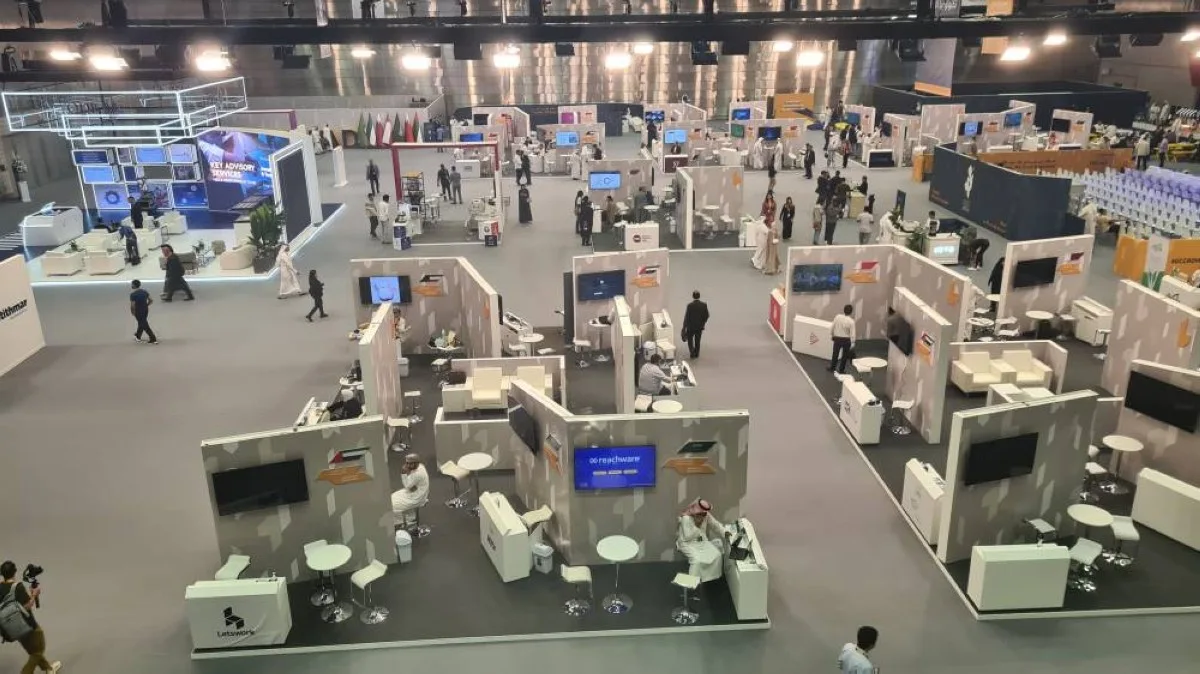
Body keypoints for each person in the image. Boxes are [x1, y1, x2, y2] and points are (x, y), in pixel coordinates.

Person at [0, 560, 61, 674]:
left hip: (13, 628)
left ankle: (48, 669)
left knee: (33, 650)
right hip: (28, 625)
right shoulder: (17, 587)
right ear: (14, 572)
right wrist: (34, 594)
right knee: (38, 649)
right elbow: (27, 605)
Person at [675, 500, 726, 582]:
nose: (703, 516)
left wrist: (725, 532)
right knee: (696, 560)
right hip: (687, 543)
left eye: (704, 514)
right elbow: (687, 537)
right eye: (700, 514)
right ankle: (690, 583)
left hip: (702, 542)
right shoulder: (686, 518)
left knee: (717, 555)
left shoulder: (706, 515)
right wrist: (697, 525)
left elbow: (715, 525)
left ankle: (708, 578)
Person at [391, 453, 431, 530]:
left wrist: (403, 473)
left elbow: (406, 486)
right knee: (393, 496)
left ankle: (402, 522)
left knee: (392, 504)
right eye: (406, 463)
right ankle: (410, 518)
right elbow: (410, 486)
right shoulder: (421, 466)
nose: (407, 466)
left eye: (410, 464)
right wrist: (411, 486)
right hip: (415, 492)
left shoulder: (417, 474)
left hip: (417, 497)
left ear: (416, 463)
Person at [128, 279, 158, 345]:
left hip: (138, 311)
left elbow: (132, 305)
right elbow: (151, 300)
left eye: (132, 284)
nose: (131, 285)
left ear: (134, 285)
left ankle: (153, 338)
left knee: (144, 324)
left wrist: (132, 312)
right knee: (142, 322)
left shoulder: (133, 294)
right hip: (145, 310)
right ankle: (138, 336)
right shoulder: (144, 292)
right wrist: (147, 305)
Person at [682, 290, 709, 359]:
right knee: (697, 340)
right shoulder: (704, 305)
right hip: (699, 327)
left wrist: (684, 327)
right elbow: (707, 315)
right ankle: (697, 353)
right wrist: (703, 322)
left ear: (693, 296)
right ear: (699, 296)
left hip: (691, 327)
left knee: (690, 340)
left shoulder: (690, 306)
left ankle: (692, 352)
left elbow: (687, 317)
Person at [830, 304, 856, 374]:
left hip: (837, 338)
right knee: (844, 356)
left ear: (843, 310)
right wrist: (853, 342)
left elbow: (833, 326)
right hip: (846, 340)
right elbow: (852, 334)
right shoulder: (851, 321)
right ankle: (841, 370)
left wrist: (832, 334)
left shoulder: (837, 317)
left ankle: (832, 367)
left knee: (835, 354)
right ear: (851, 312)